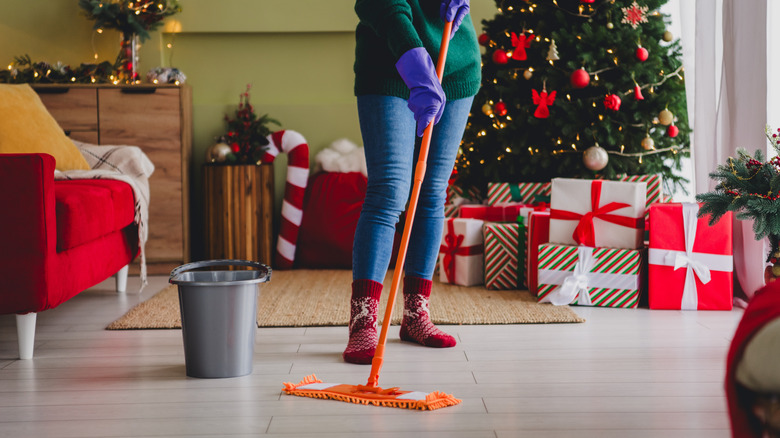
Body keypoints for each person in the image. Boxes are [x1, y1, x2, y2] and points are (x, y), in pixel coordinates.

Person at [345, 0, 481, 364]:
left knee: (432, 192)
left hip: (454, 62)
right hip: (390, 60)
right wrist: (412, 59)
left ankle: (415, 314)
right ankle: (364, 321)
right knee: (389, 192)